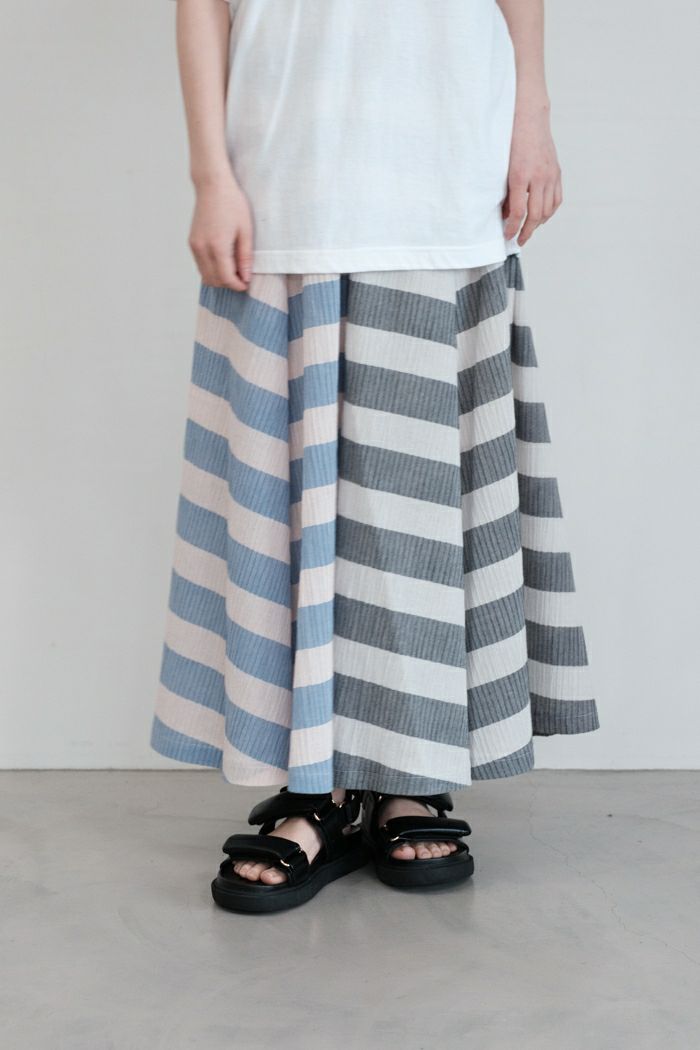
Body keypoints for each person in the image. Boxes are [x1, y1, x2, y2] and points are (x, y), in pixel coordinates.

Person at [153, 0, 599, 913]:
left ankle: (411, 775)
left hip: (444, 162)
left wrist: (533, 116)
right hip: (287, 171)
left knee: (416, 512)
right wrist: (210, 174)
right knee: (292, 509)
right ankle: (311, 788)